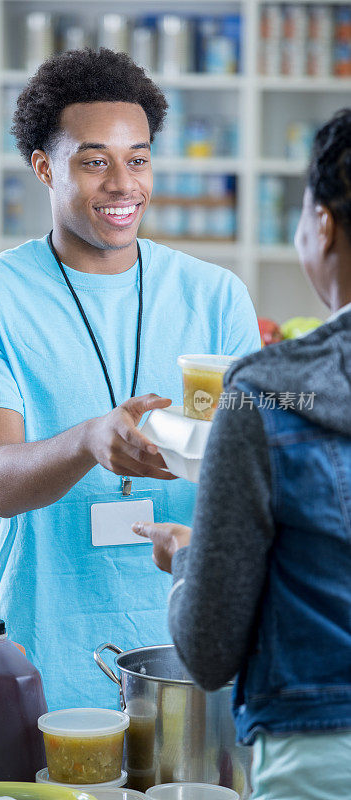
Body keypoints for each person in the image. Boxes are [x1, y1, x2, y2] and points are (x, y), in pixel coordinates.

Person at [0, 48, 261, 710]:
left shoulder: (214, 295)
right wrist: (89, 441)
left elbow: (253, 471)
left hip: (187, 643)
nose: (122, 184)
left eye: (137, 159)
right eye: (93, 160)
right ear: (45, 167)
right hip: (40, 648)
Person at [134, 108, 351, 799]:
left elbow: (206, 650)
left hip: (317, 755)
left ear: (321, 225)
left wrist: (190, 556)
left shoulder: (263, 395)